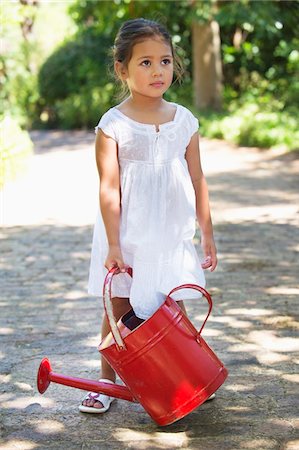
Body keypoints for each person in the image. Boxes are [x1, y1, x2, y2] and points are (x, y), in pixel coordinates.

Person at [79, 18, 217, 414]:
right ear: (122, 68)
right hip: (127, 234)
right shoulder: (113, 124)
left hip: (170, 233)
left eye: (165, 61)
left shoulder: (184, 120)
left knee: (175, 303)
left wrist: (206, 232)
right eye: (145, 63)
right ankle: (105, 382)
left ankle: (190, 375)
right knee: (119, 311)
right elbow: (108, 188)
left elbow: (198, 177)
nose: (158, 71)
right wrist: (115, 244)